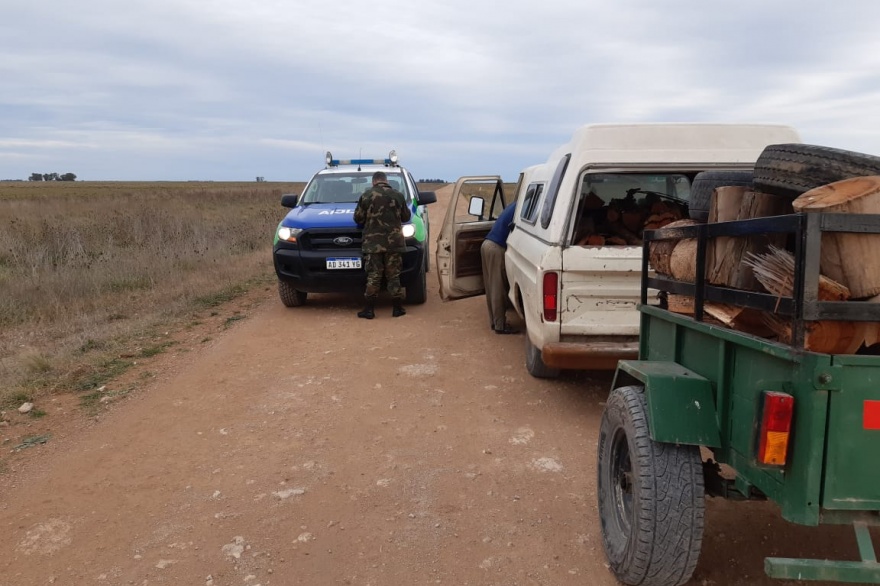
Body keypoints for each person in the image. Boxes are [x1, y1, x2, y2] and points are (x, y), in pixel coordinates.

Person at [353, 171, 411, 319]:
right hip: (394, 243)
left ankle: (369, 310)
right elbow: (406, 217)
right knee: (394, 275)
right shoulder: (398, 195)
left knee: (374, 275)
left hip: (373, 244)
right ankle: (397, 308)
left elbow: (358, 218)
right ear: (386, 181)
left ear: (373, 182)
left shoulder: (366, 196)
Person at [480, 201, 518, 334]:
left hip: (487, 244)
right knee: (498, 287)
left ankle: (494, 321)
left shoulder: (514, 205)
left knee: (491, 287)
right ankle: (500, 325)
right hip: (497, 248)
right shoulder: (522, 207)